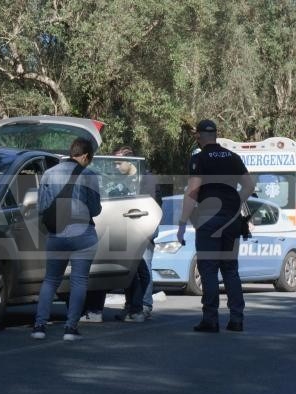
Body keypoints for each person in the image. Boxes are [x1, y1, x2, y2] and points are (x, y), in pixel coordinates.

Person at [177, 119, 255, 333]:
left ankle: (210, 319)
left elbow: (193, 191)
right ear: (216, 135)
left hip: (209, 218)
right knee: (230, 269)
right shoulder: (233, 157)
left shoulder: (198, 158)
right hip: (231, 219)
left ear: (199, 137)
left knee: (209, 269)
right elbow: (250, 185)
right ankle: (237, 319)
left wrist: (182, 223)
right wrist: (235, 202)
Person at [80, 146, 161, 323]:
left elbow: (150, 206)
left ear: (129, 161)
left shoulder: (146, 179)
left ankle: (141, 307)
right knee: (113, 266)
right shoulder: (118, 179)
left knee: (142, 269)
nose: (116, 167)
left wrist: (147, 231)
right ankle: (128, 308)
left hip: (142, 229)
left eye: (118, 163)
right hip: (121, 230)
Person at [31, 138, 102, 341]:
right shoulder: (89, 175)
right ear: (86, 156)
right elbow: (95, 210)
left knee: (51, 280)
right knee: (79, 281)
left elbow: (42, 208)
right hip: (83, 235)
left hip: (56, 235)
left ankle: (39, 327)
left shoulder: (49, 173)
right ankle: (70, 329)